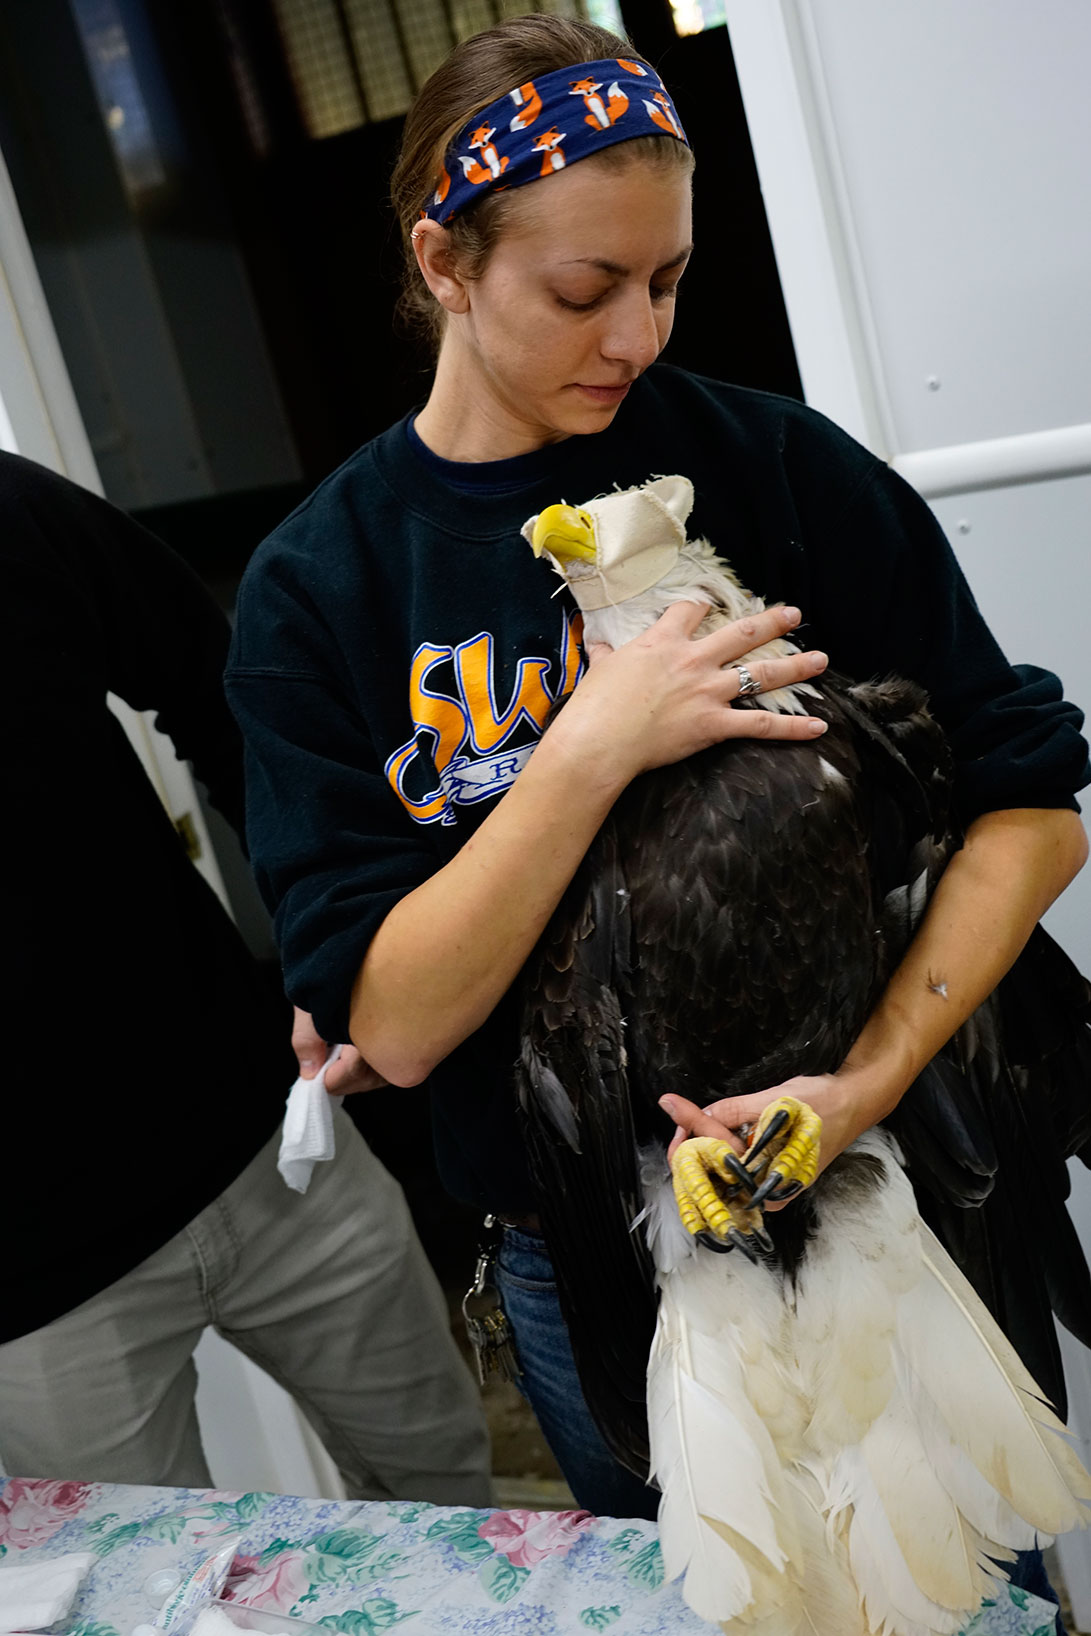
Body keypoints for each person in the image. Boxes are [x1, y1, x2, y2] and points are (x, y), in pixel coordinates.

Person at [225, 12, 1088, 1565]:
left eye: (665, 281)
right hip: (587, 1257)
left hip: (886, 1195)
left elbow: (1030, 806)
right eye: (581, 289)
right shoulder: (319, 588)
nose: (635, 335)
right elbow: (399, 1022)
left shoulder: (775, 467)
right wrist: (592, 741)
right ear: (442, 262)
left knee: (984, 1592)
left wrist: (866, 1083)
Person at [0, 449, 491, 1506]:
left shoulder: (10, 512)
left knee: (452, 1493)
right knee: (131, 1603)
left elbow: (223, 693)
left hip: (269, 1143)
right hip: (32, 1286)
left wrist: (331, 946)